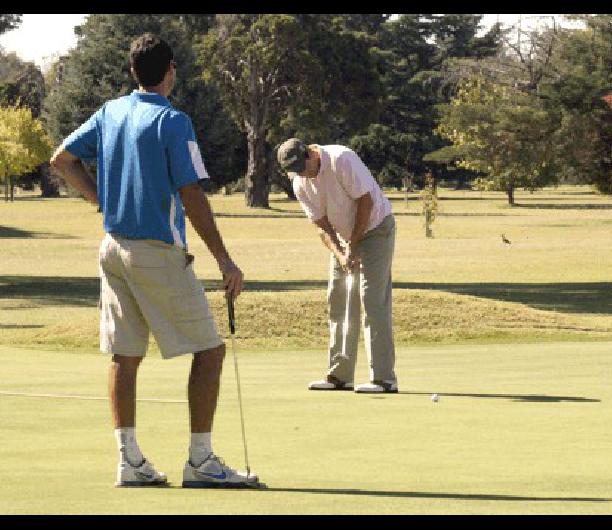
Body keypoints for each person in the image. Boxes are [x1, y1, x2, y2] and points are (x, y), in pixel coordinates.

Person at [50, 33, 259, 488]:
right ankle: (201, 461)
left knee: (125, 356)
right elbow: (191, 193)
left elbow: (62, 159)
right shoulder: (173, 121)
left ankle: (130, 460)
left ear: (132, 72)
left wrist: (99, 199)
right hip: (155, 252)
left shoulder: (111, 112)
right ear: (170, 72)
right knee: (210, 350)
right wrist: (225, 259)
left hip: (112, 248)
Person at [277, 138, 398, 394]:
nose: (302, 173)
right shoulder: (300, 183)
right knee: (339, 298)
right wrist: (341, 253)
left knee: (372, 299)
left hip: (376, 229)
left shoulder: (340, 159)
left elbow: (366, 202)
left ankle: (384, 379)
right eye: (296, 170)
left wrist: (354, 246)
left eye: (303, 166)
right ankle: (340, 375)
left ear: (310, 152)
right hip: (344, 237)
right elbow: (321, 225)